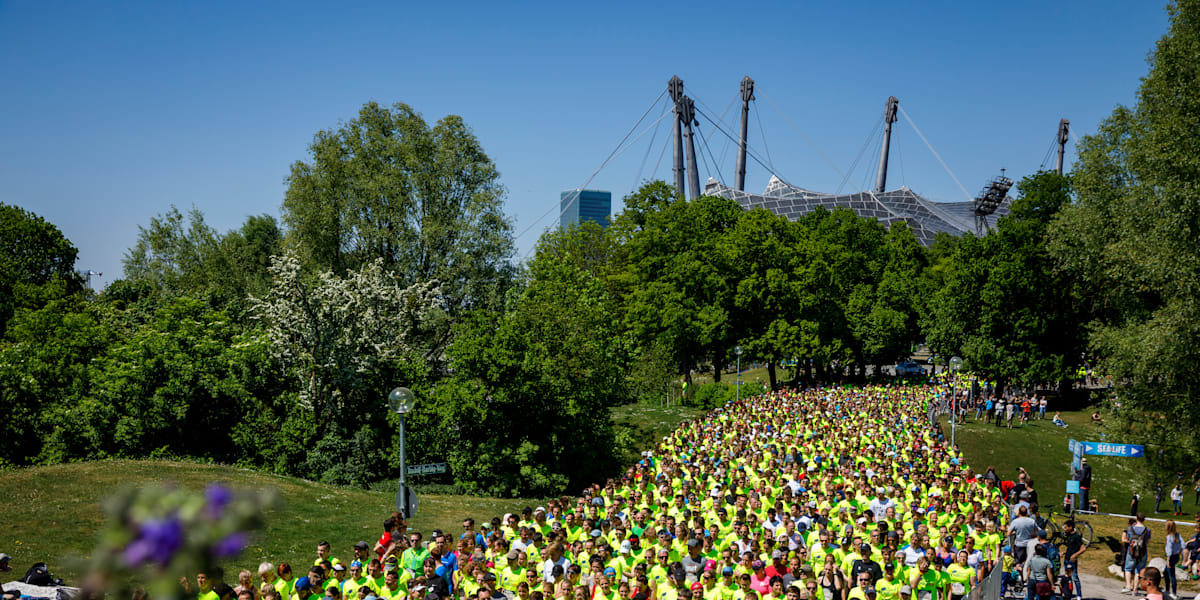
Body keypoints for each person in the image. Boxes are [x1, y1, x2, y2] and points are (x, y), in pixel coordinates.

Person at [1123, 513, 1151, 594]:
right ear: (1144, 519)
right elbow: (1147, 541)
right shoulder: (1147, 530)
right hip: (1143, 551)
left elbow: (1129, 539)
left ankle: (1128, 586)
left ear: (1136, 518)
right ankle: (1135, 589)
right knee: (1139, 570)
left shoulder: (1130, 529)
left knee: (1128, 568)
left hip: (1131, 551)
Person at [1061, 521, 1087, 600]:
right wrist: (1064, 552)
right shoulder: (1068, 536)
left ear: (1070, 527)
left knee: (1075, 578)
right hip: (1066, 559)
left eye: (1065, 527)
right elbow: (1070, 547)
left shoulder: (1076, 537)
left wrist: (1075, 555)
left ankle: (1079, 595)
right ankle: (1068, 594)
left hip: (1072, 561)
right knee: (1068, 578)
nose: (1064, 529)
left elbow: (1083, 548)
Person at [1164, 521, 1182, 598]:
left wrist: (1168, 560)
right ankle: (1167, 590)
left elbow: (1169, 549)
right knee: (1165, 572)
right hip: (1176, 556)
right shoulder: (1177, 535)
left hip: (1171, 557)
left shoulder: (1169, 537)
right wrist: (1179, 552)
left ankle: (1173, 593)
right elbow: (1183, 544)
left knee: (1172, 575)